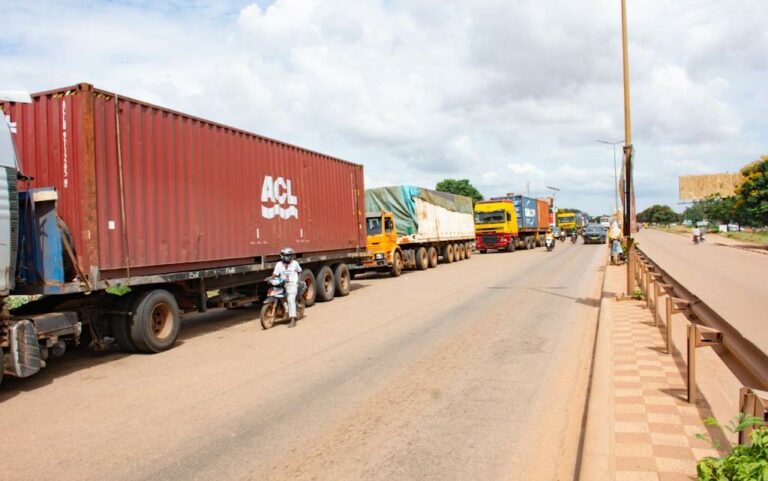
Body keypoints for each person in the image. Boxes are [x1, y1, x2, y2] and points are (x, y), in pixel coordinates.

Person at [273, 247, 302, 328]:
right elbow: (275, 274)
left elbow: (300, 272)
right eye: (287, 255)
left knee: (290, 300)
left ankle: (293, 320)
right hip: (282, 284)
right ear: (282, 256)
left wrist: (298, 281)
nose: (289, 257)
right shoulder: (279, 264)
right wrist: (271, 278)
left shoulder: (295, 263)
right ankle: (286, 309)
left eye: (290, 255)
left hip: (292, 284)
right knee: (278, 295)